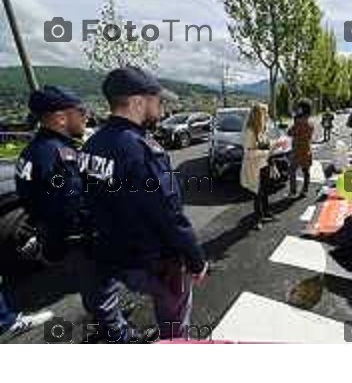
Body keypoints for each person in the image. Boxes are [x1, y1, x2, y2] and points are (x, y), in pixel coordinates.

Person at [81, 67, 208, 342]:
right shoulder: (142, 150)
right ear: (139, 102)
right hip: (154, 262)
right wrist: (196, 261)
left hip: (114, 257)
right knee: (175, 319)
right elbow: (170, 215)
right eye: (158, 101)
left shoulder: (91, 145)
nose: (161, 108)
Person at [14, 85, 89, 264]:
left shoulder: (33, 150)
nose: (86, 117)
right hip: (71, 245)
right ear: (61, 119)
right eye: (81, 112)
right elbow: (74, 207)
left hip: (46, 232)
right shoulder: (60, 155)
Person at [240, 103, 285, 230]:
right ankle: (257, 218)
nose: (267, 116)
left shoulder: (261, 129)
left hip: (263, 165)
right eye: (265, 113)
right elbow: (248, 153)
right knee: (258, 194)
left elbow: (266, 144)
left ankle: (266, 213)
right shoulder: (250, 131)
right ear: (258, 115)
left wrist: (276, 143)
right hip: (255, 167)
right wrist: (267, 152)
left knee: (265, 191)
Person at [288, 99, 314, 198]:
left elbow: (290, 132)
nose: (297, 109)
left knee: (292, 170)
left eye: (299, 107)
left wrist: (293, 124)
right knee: (306, 171)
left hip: (297, 150)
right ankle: (305, 190)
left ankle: (293, 191)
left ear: (302, 109)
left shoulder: (298, 122)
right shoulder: (310, 122)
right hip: (307, 150)